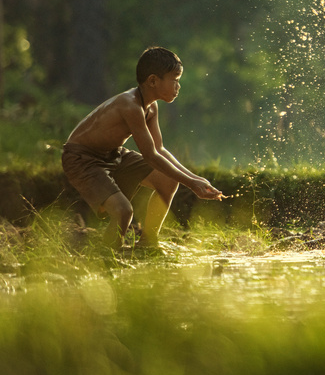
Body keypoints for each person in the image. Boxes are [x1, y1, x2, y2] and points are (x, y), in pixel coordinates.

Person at [61, 47, 222, 251]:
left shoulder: (151, 106)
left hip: (113, 153)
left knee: (168, 180)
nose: (178, 86)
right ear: (153, 81)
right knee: (123, 211)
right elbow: (151, 156)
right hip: (82, 158)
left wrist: (196, 178)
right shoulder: (130, 105)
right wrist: (191, 184)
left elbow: (159, 148)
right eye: (174, 80)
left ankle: (148, 242)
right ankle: (108, 256)